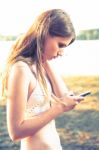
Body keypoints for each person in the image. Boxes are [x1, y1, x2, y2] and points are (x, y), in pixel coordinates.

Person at [2, 9, 84, 150]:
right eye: (60, 45)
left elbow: (63, 96)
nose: (61, 53)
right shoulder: (21, 69)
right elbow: (15, 132)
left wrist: (44, 60)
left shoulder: (39, 65)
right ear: (44, 33)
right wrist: (59, 108)